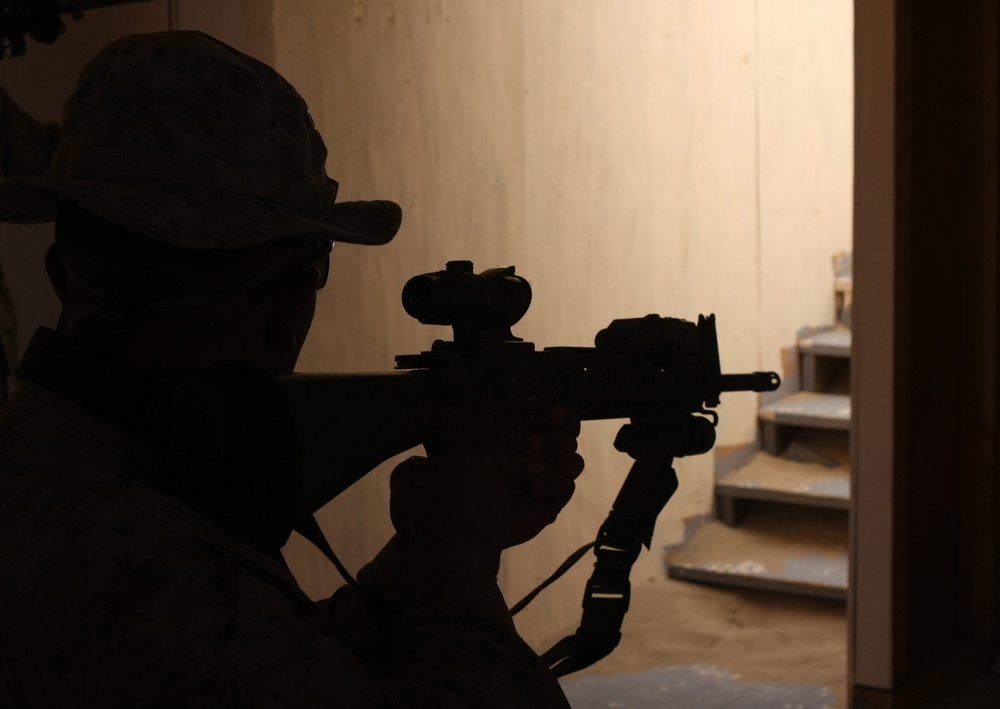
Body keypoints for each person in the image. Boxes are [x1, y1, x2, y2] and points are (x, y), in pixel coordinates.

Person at [0, 30, 584, 707]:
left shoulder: (64, 472)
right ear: (287, 311)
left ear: (59, 276)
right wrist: (460, 552)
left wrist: (426, 544)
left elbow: (280, 662)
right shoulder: (122, 555)